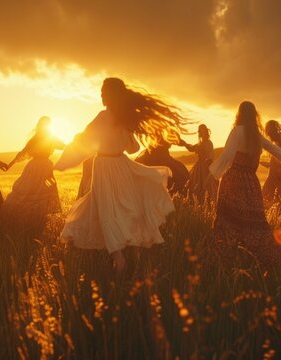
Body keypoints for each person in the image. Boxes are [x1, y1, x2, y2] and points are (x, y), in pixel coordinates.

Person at [57, 77, 187, 276]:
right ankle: (134, 258)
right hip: (122, 165)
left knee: (106, 211)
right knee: (127, 208)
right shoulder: (124, 119)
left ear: (108, 96)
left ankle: (119, 260)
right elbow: (133, 148)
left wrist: (64, 162)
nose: (100, 96)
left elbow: (84, 141)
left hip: (104, 167)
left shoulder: (102, 117)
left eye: (102, 92)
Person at [208, 101, 281, 269]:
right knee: (254, 221)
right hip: (251, 182)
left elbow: (228, 154)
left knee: (228, 218)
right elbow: (280, 154)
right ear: (254, 116)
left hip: (233, 179)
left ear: (240, 114)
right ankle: (256, 257)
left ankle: (227, 256)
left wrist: (213, 173)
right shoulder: (256, 135)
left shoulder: (237, 131)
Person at [1, 116, 64, 232]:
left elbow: (21, 154)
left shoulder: (34, 139)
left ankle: (32, 215)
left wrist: (9, 165)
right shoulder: (51, 138)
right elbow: (64, 146)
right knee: (43, 189)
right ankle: (38, 215)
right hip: (44, 165)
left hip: (33, 165)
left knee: (30, 189)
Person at [178, 124, 218, 202]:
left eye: (201, 131)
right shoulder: (201, 143)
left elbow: (211, 157)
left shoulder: (209, 143)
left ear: (205, 131)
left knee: (206, 186)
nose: (199, 132)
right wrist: (183, 143)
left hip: (206, 167)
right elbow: (191, 148)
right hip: (198, 166)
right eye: (199, 131)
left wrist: (208, 168)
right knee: (193, 184)